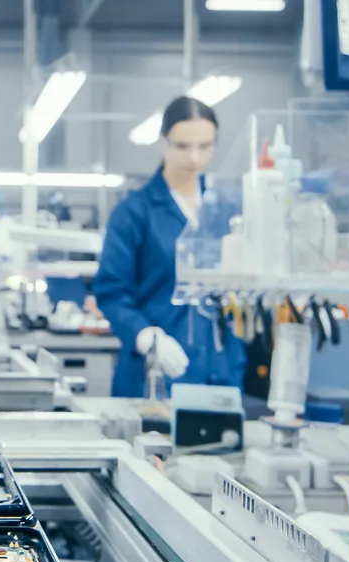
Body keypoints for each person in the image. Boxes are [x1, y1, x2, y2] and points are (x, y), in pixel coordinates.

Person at [94, 96, 246, 398]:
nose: (194, 158)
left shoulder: (227, 211)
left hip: (220, 370)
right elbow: (111, 291)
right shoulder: (134, 212)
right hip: (154, 372)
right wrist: (145, 337)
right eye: (182, 146)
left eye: (205, 146)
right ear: (164, 142)